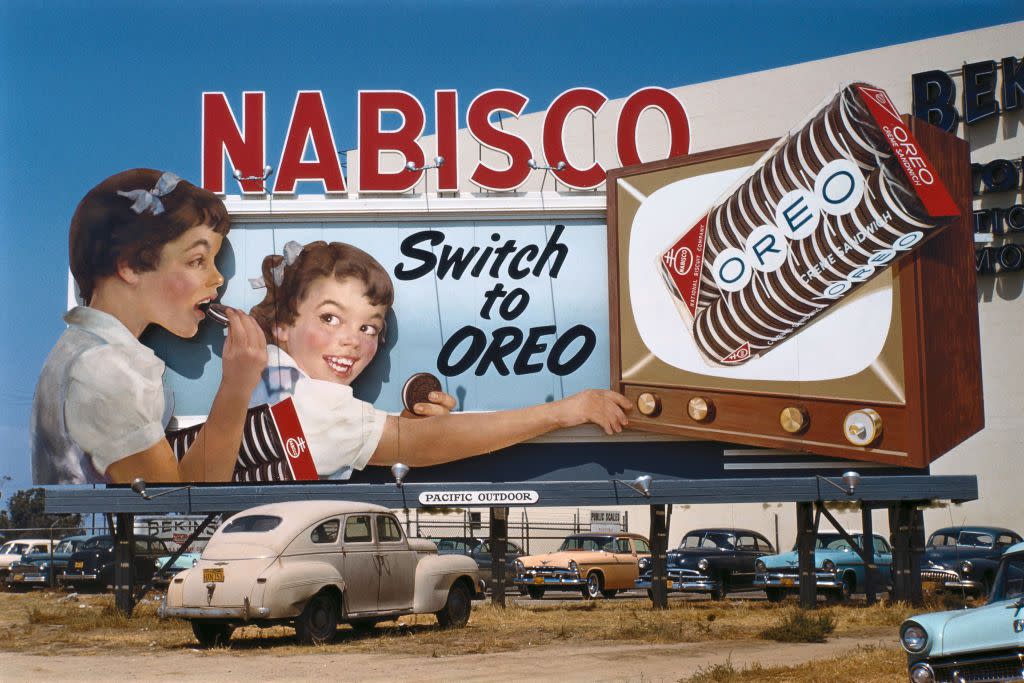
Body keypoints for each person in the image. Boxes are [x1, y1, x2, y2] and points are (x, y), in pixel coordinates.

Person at [248, 240, 631, 479]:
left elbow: (380, 435)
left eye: (369, 328)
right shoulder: (307, 405)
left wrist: (406, 426)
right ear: (283, 322)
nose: (351, 340)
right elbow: (411, 444)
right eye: (330, 318)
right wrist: (566, 411)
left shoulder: (269, 374)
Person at [31, 169, 267, 484]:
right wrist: (236, 388)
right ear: (130, 266)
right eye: (197, 260)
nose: (218, 278)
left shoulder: (84, 350)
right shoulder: (104, 370)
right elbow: (172, 503)